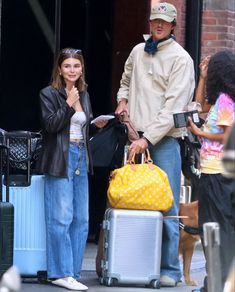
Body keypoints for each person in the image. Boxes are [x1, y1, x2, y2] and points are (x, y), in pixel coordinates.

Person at [115, 2, 195, 287]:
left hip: (162, 143)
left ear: (174, 26)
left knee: (168, 205)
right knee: (132, 203)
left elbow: (174, 108)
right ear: (150, 23)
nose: (159, 25)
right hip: (134, 138)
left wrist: (146, 139)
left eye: (165, 22)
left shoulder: (181, 59)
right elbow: (125, 80)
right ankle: (135, 264)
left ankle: (170, 270)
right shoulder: (138, 51)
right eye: (155, 21)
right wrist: (122, 100)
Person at [36, 48, 106, 291]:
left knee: (81, 219)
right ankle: (60, 272)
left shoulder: (84, 94)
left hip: (79, 157)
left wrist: (95, 125)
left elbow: (80, 126)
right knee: (61, 218)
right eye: (67, 66)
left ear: (81, 68)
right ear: (59, 69)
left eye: (76, 66)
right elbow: (51, 126)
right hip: (59, 158)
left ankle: (74, 272)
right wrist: (68, 104)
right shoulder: (48, 94)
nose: (72, 70)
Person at [188, 50, 235, 292]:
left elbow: (227, 136)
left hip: (218, 174)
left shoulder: (227, 101)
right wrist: (203, 78)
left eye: (211, 69)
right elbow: (198, 109)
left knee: (216, 230)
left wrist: (199, 133)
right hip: (217, 173)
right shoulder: (222, 100)